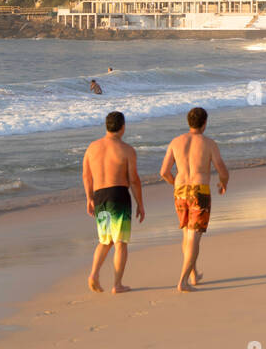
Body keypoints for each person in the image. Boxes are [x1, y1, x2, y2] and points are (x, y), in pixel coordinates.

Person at [159, 107, 230, 292]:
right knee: (194, 236)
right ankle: (183, 281)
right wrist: (223, 184)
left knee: (186, 233)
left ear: (188, 122)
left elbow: (164, 172)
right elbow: (222, 171)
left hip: (180, 189)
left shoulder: (176, 142)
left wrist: (175, 183)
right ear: (205, 123)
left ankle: (193, 274)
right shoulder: (208, 143)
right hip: (199, 191)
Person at [82, 111, 144, 294]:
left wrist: (89, 198)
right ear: (123, 127)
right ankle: (117, 284)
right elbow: (134, 180)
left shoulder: (92, 148)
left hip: (100, 195)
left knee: (105, 240)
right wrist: (140, 203)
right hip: (118, 195)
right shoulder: (126, 150)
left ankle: (94, 274)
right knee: (120, 242)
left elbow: (86, 175)